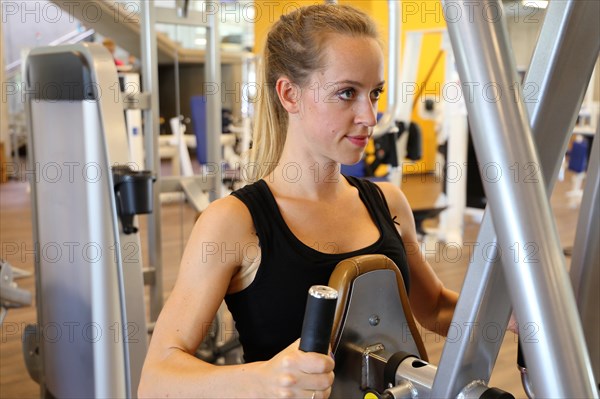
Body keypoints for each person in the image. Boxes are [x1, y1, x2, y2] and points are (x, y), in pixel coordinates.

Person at [138, 4, 458, 398]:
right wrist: (262, 379)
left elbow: (436, 308)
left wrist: (517, 316)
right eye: (347, 93)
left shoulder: (388, 203)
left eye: (374, 93)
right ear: (290, 94)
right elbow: (156, 379)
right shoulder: (234, 222)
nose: (370, 116)